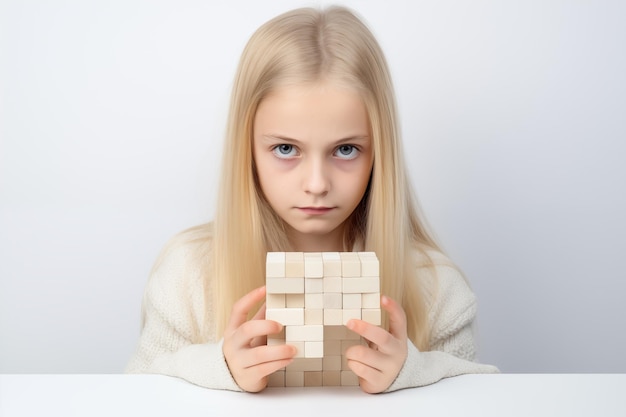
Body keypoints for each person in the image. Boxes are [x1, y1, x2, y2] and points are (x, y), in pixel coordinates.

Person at [126, 5, 499, 393]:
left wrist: (412, 373)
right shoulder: (189, 273)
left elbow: (484, 395)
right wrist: (220, 367)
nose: (317, 184)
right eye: (286, 149)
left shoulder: (435, 286)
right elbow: (134, 392)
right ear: (247, 149)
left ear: (380, 153)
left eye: (346, 150)